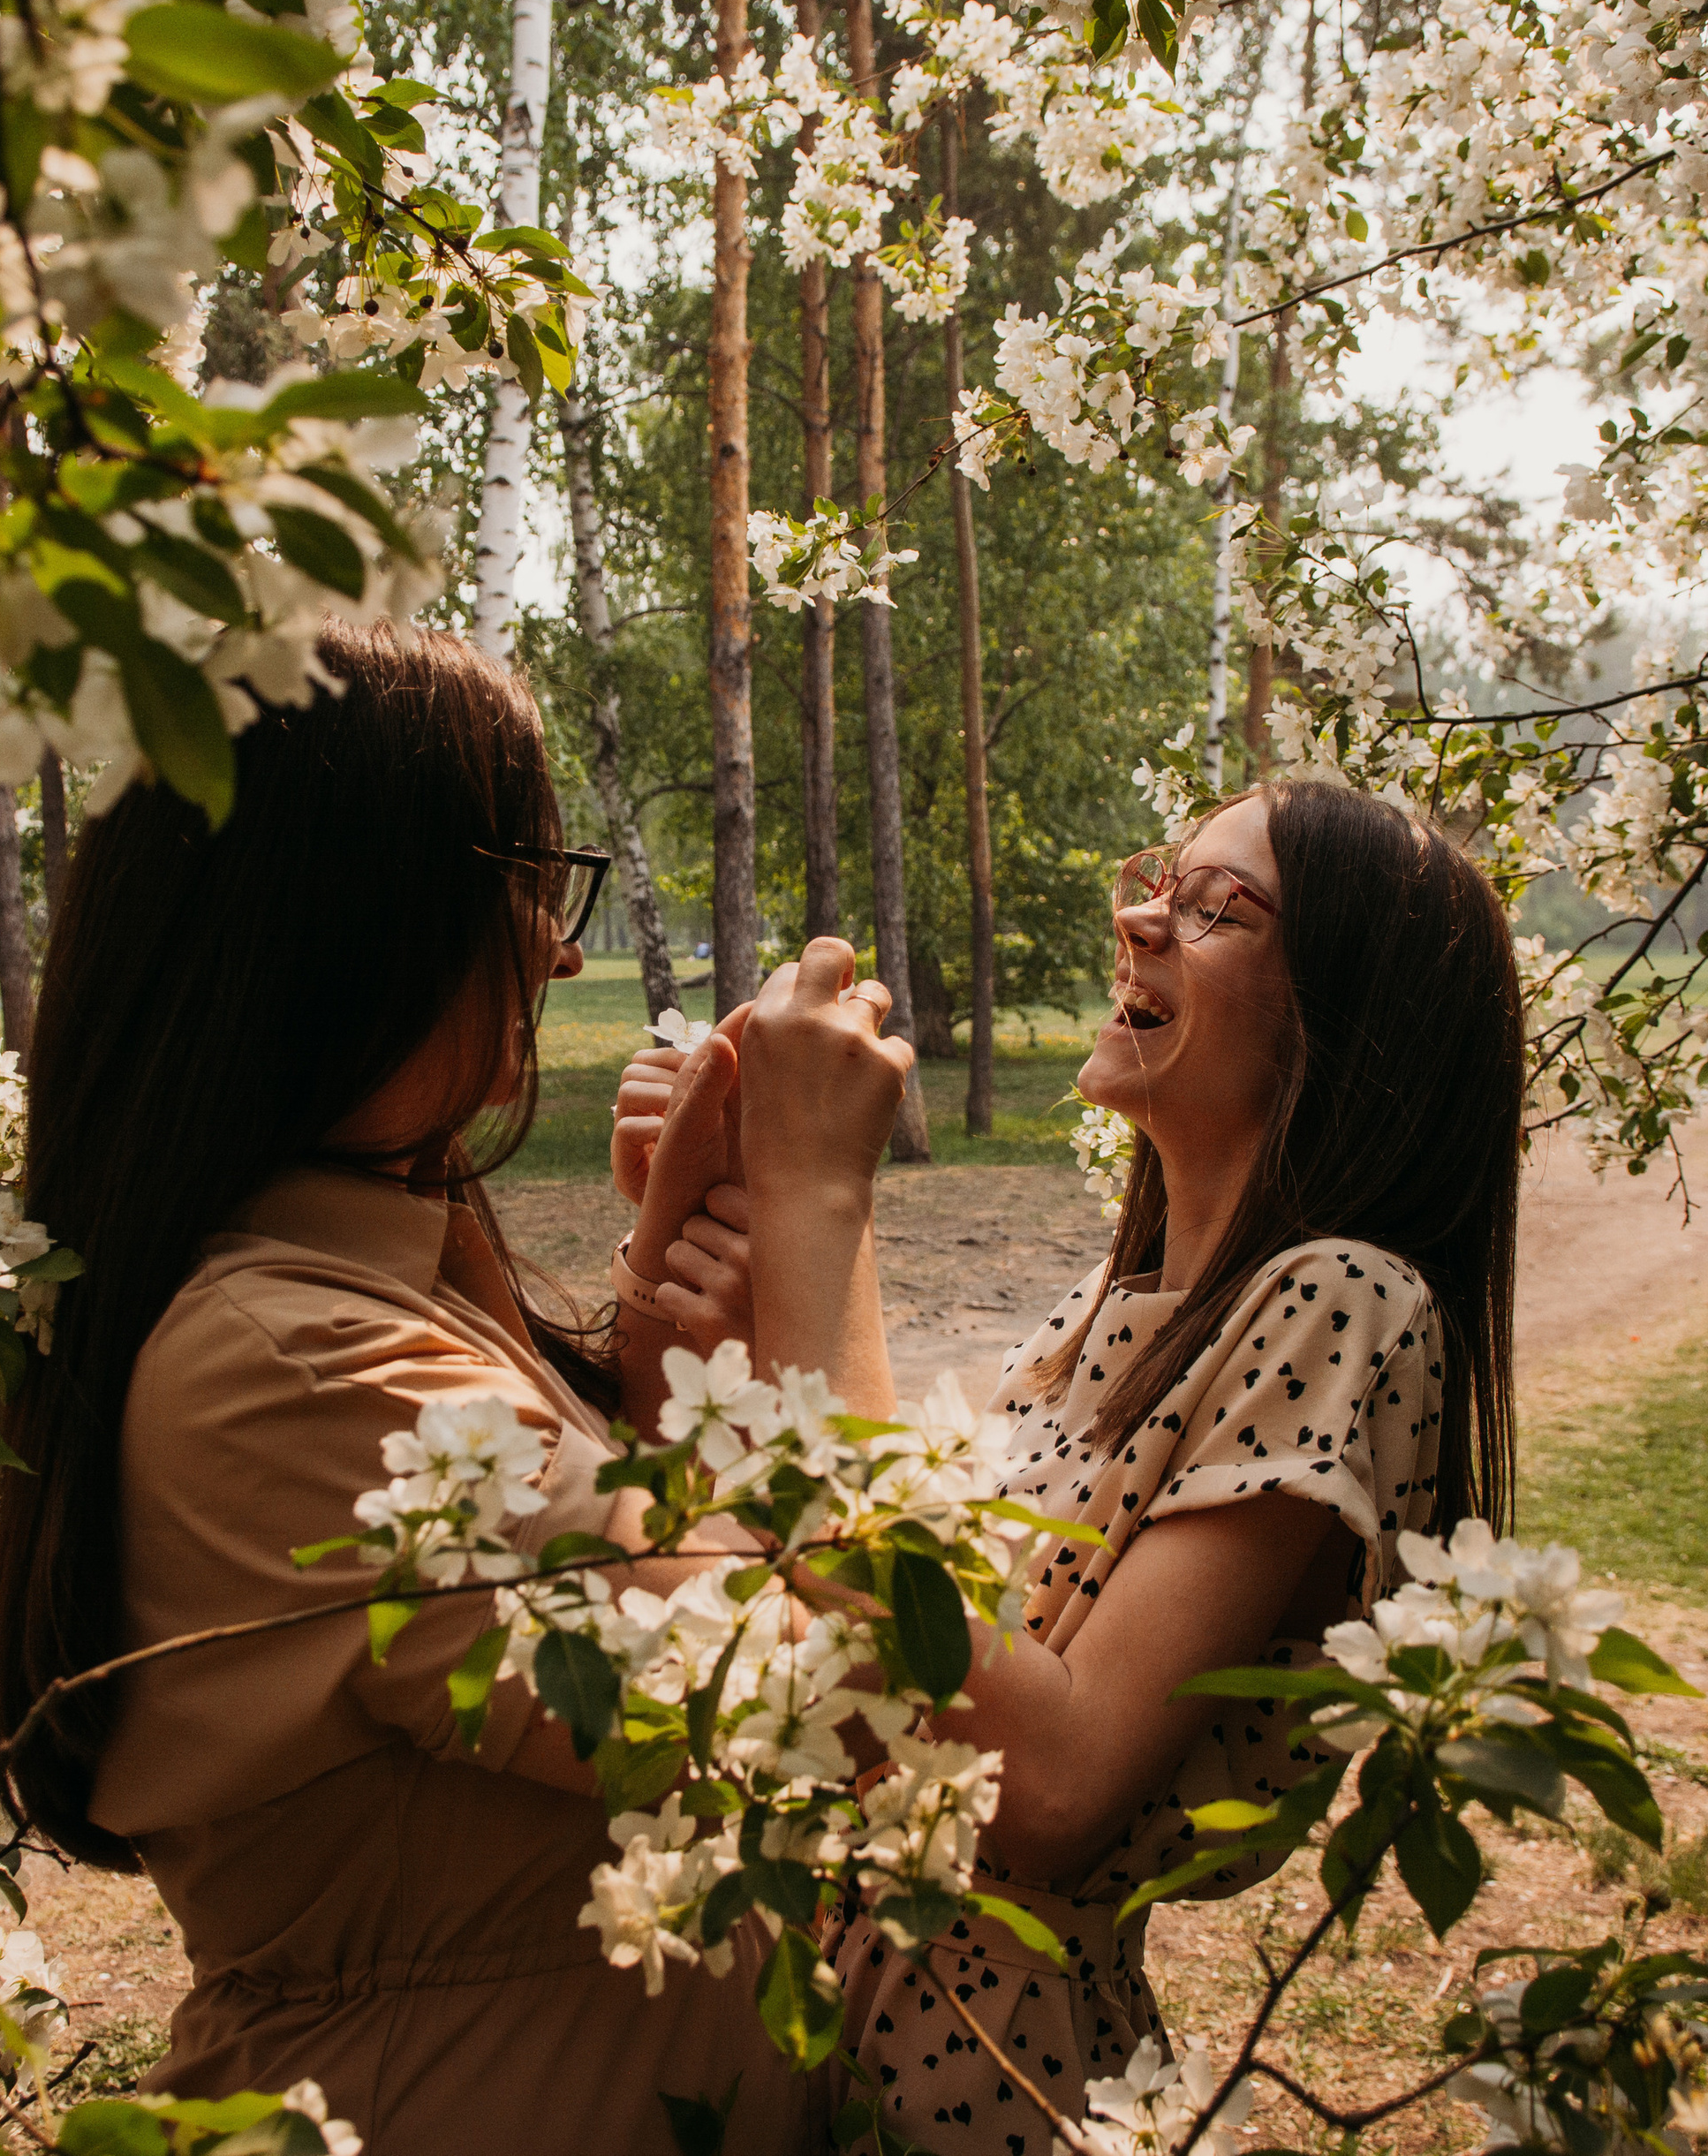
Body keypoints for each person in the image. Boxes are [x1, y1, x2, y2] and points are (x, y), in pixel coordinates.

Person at [0, 623, 822, 2156]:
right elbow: (803, 1708)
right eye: (531, 881)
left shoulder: (371, 1276)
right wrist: (825, 1228)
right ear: (357, 917)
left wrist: (665, 1274)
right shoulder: (293, 1361)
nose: (560, 952)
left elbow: (622, 1573)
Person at [622, 780, 1524, 2150]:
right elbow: (878, 1642)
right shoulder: (1089, 1327)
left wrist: (821, 1199)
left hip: (981, 2079)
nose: (1139, 921)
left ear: (1350, 1018)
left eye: (1218, 908)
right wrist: (729, 1235)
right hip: (812, 2017)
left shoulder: (1348, 1301)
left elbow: (1048, 1788)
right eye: (1161, 881)